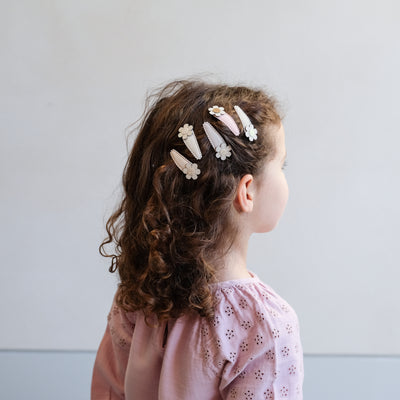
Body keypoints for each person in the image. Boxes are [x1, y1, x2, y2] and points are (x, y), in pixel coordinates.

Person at [91, 78, 304, 399]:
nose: (286, 176)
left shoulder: (138, 301)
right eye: (282, 164)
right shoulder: (265, 325)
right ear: (246, 191)